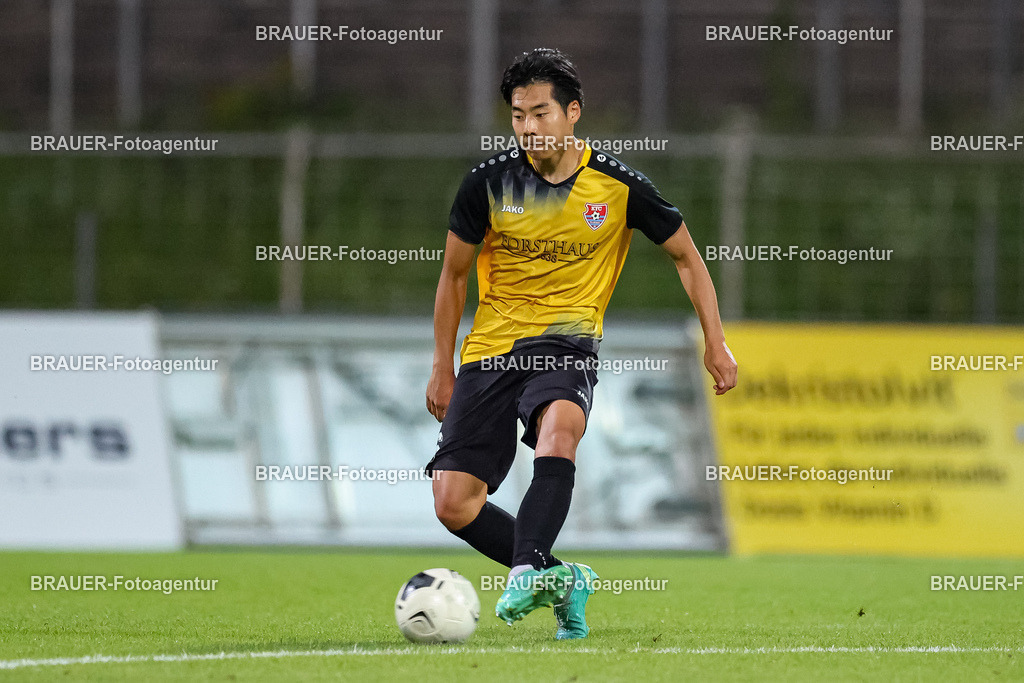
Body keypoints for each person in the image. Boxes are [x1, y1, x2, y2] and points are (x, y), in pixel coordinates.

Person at [424, 47, 737, 640]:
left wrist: (715, 343)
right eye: (518, 116)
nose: (528, 128)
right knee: (453, 503)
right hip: (490, 351)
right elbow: (454, 276)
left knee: (559, 428)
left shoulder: (618, 186)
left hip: (567, 346)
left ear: (573, 113)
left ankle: (523, 569)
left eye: (540, 113)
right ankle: (558, 577)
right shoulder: (486, 184)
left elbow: (688, 259)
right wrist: (442, 366)